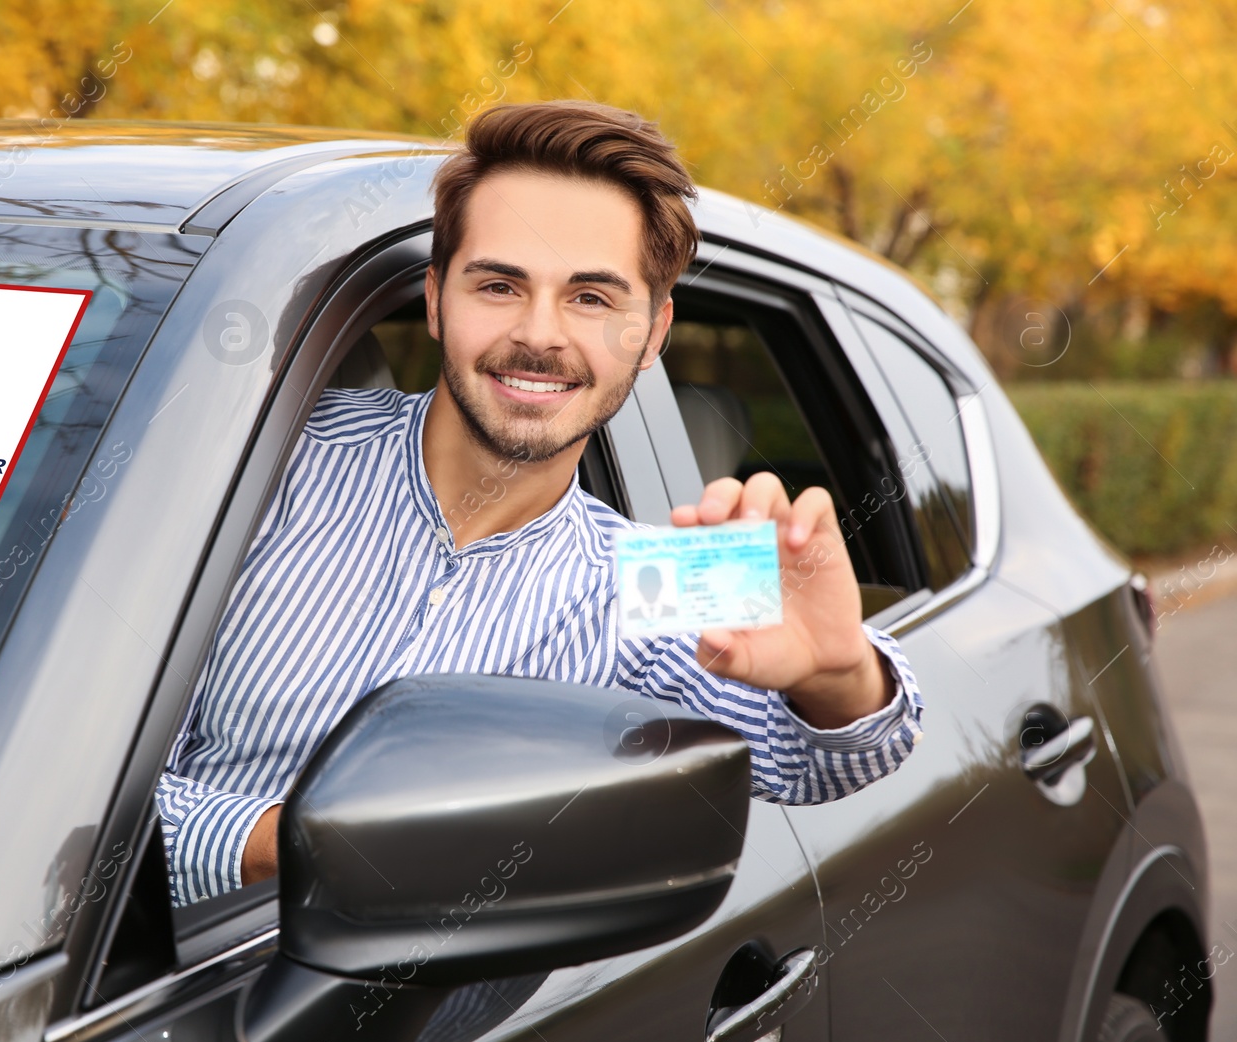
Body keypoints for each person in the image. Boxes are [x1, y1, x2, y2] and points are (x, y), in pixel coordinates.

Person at [157, 99, 925, 906]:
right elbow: (70, 787)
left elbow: (836, 758)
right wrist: (292, 848)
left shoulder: (650, 576)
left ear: (653, 331)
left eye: (592, 298)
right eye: (498, 284)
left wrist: (841, 672)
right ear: (434, 297)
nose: (539, 334)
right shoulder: (263, 457)